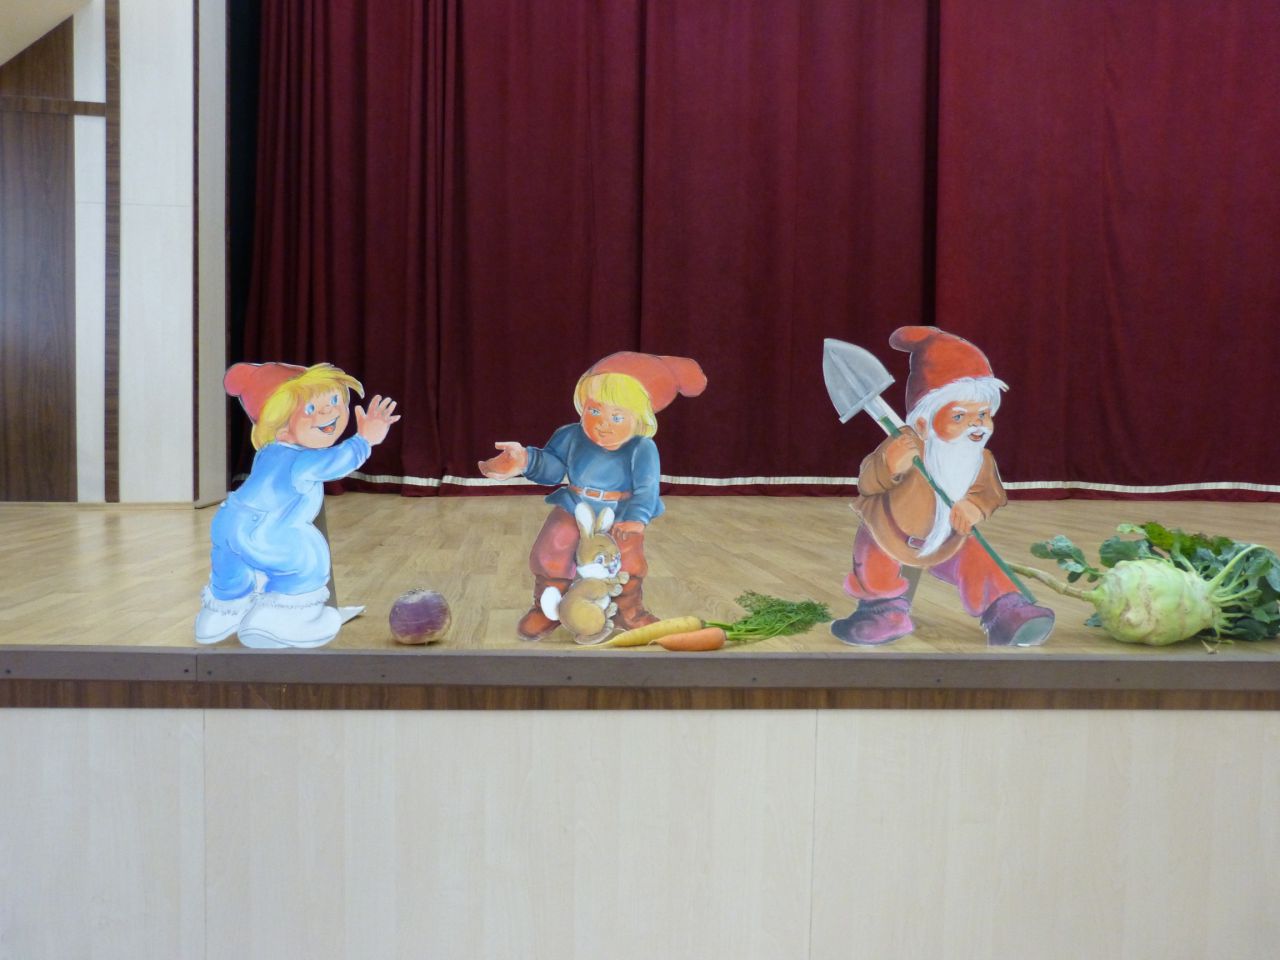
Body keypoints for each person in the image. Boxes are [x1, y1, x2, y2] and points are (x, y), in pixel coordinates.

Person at [831, 326, 1055, 647]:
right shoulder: (904, 444)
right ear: (924, 422)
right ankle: (882, 611)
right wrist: (889, 465)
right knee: (873, 558)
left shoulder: (979, 458)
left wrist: (974, 507)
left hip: (947, 536)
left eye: (984, 414)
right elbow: (868, 482)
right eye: (960, 417)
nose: (977, 425)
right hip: (890, 531)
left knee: (978, 559)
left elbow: (989, 493)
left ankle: (1007, 611)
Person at [479, 352, 706, 640]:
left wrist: (636, 519)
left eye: (617, 416)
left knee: (628, 560)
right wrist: (525, 459)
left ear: (640, 419)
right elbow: (552, 468)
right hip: (575, 504)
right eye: (594, 411)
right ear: (582, 405)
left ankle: (629, 611)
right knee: (553, 547)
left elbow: (646, 489)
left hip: (621, 510)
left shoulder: (642, 448)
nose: (603, 423)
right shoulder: (570, 435)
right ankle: (547, 608)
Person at [195, 362, 400, 648]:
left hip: (228, 521)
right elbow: (335, 462)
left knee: (230, 574)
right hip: (268, 533)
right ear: (282, 429)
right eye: (310, 409)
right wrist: (365, 440)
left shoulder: (268, 452)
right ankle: (281, 619)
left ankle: (220, 614)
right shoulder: (301, 460)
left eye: (333, 400)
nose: (328, 412)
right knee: (306, 560)